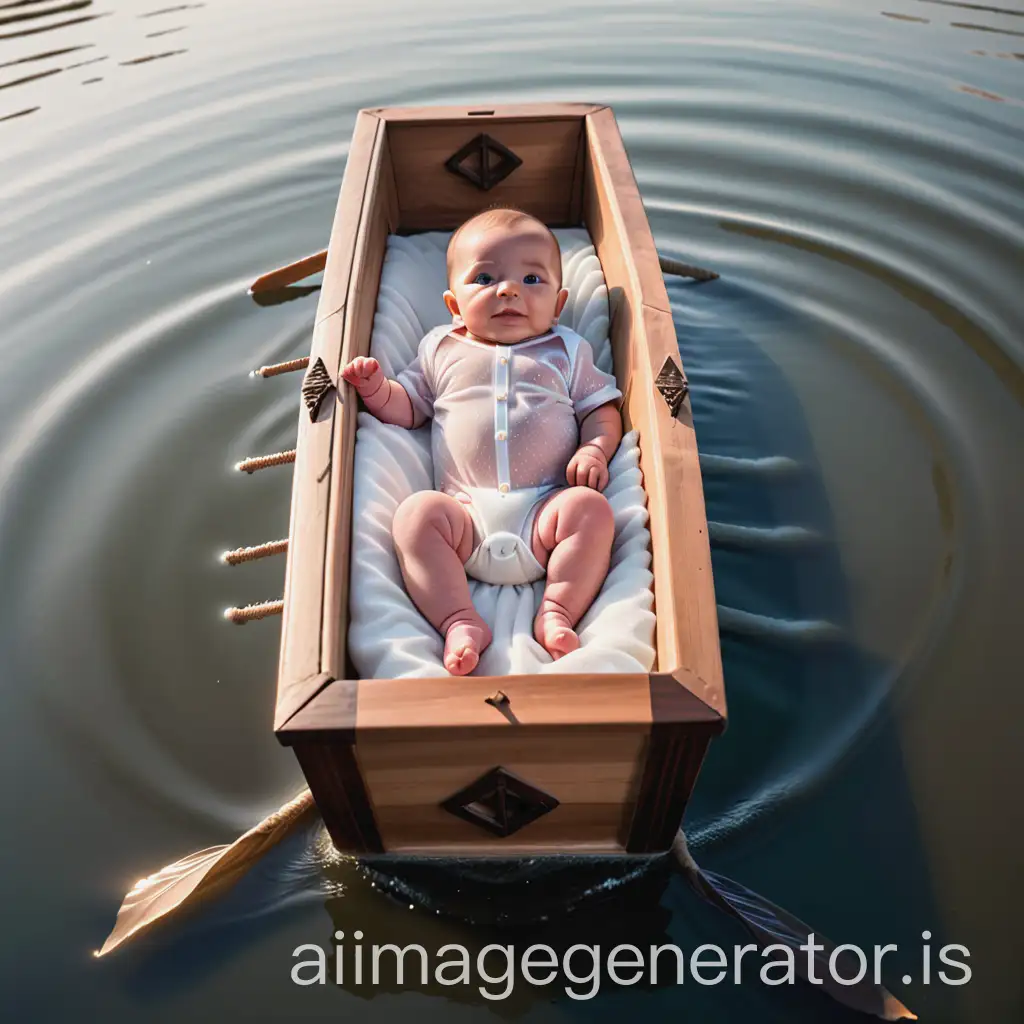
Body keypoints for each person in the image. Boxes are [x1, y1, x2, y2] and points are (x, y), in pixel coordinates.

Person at [340, 207, 623, 675]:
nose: (508, 290)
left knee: (591, 512)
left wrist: (594, 448)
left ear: (558, 302)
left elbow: (601, 409)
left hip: (545, 514)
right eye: (486, 277)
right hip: (464, 517)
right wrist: (375, 389)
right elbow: (408, 407)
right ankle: (458, 619)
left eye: (532, 280)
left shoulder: (568, 351)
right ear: (454, 305)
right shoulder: (441, 348)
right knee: (415, 516)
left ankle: (557, 611)